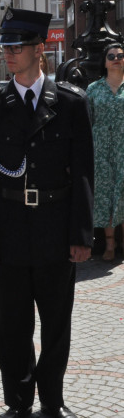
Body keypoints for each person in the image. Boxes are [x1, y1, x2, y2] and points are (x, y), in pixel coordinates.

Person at [0, 8, 93, 418]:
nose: (8, 53)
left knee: (57, 321)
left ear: (40, 49)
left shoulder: (72, 104)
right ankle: (18, 401)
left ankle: (53, 401)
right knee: (13, 324)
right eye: (5, 46)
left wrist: (81, 234)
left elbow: (82, 173)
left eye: (16, 46)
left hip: (57, 229)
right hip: (10, 231)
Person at [86, 42, 124, 261]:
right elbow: (87, 120)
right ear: (105, 61)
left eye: (120, 55)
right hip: (100, 148)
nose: (116, 58)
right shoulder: (94, 88)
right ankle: (110, 243)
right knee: (105, 194)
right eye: (111, 56)